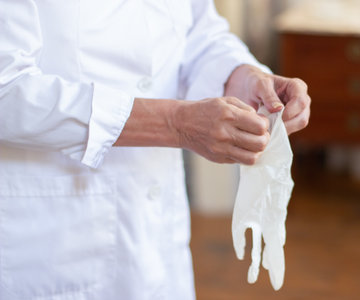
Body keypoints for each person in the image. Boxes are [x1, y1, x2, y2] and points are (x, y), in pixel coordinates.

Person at [0, 0, 310, 299]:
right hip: (51, 235)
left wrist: (242, 76)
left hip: (159, 227)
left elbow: (199, 34)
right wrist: (174, 124)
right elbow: (7, 87)